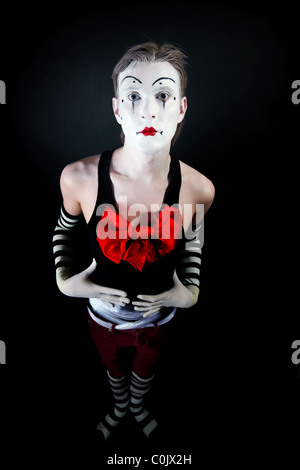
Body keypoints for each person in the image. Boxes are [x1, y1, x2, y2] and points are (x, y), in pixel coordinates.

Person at [52, 42, 215, 441]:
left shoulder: (199, 189)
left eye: (162, 95)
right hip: (102, 318)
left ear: (180, 108)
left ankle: (137, 406)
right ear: (117, 109)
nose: (147, 110)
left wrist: (189, 292)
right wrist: (64, 280)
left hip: (160, 320)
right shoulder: (78, 178)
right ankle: (119, 405)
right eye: (133, 95)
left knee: (147, 368)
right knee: (113, 368)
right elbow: (63, 230)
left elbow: (193, 242)